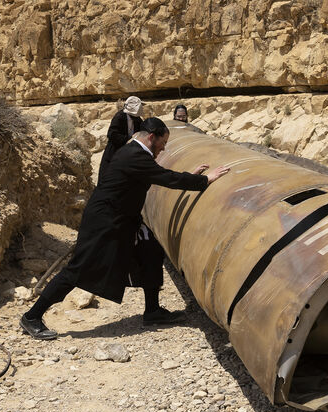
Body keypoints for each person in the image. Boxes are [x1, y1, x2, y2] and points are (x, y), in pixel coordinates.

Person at [19, 117, 230, 340]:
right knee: (77, 270)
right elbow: (164, 177)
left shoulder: (135, 153)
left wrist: (191, 176)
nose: (164, 147)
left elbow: (157, 174)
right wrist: (205, 180)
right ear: (151, 137)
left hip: (121, 219)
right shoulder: (134, 155)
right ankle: (32, 316)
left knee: (151, 250)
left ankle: (152, 311)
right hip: (104, 222)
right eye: (163, 142)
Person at [100, 96, 143, 175]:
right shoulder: (119, 117)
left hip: (129, 155)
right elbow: (112, 134)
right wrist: (129, 139)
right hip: (114, 153)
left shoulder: (138, 120)